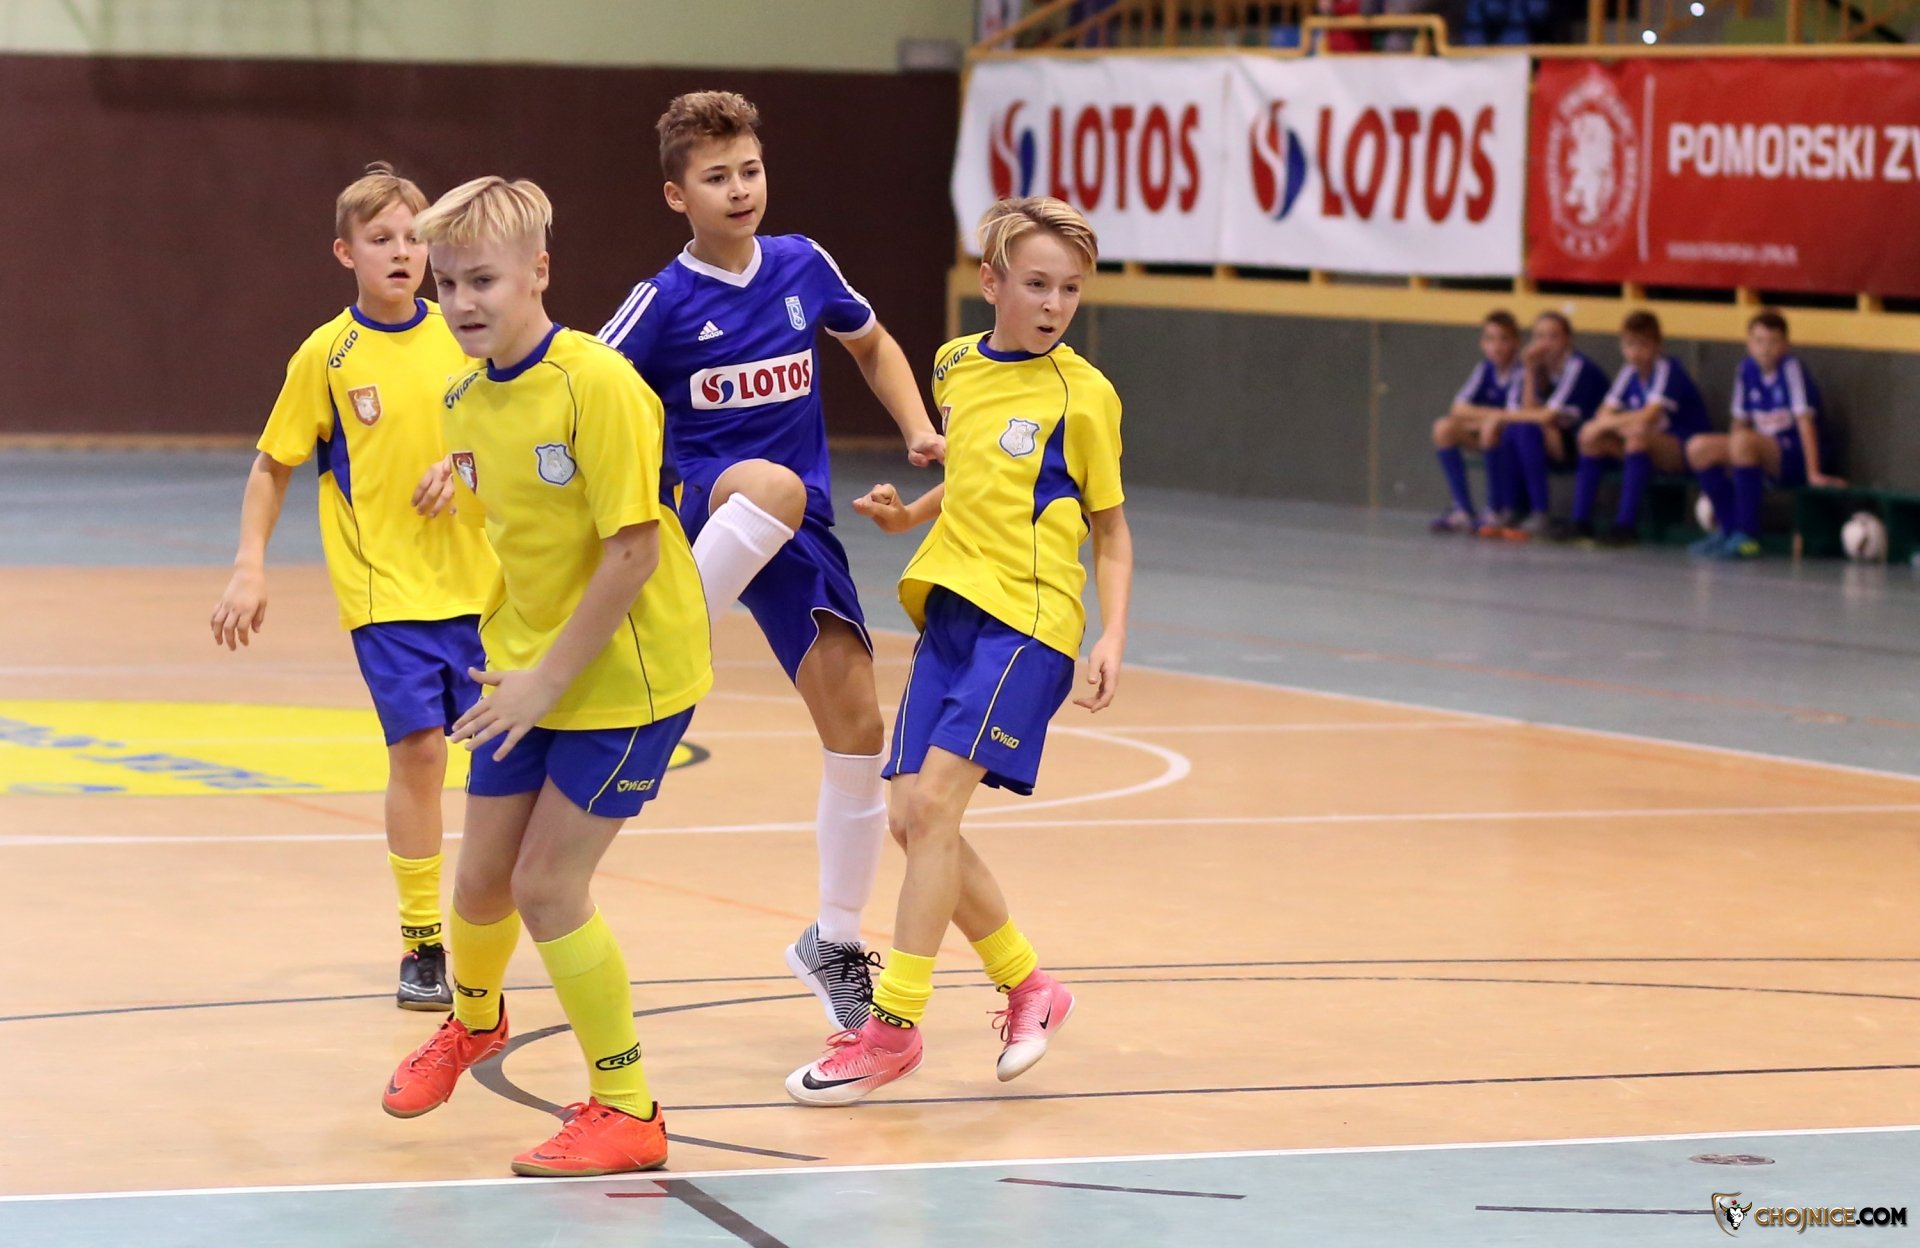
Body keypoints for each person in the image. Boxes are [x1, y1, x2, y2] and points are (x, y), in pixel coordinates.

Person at [379, 175, 711, 1177]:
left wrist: (544, 682)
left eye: (481, 279)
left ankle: (628, 1109)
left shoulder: (598, 385)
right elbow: (521, 533)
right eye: (445, 284)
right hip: (526, 668)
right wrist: (509, 662)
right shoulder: (461, 399)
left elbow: (631, 553)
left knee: (547, 885)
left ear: (539, 272)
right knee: (480, 880)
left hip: (626, 674)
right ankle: (474, 1021)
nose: (460, 301)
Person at [598, 91, 944, 1030]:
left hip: (800, 529)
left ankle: (834, 939)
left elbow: (871, 342)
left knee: (860, 730)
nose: (740, 188)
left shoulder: (802, 264)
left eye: (749, 169)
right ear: (678, 196)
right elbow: (577, 388)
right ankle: (665, 635)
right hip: (706, 502)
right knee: (770, 485)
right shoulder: (661, 302)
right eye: (717, 177)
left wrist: (918, 428)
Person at [786, 196, 1130, 1105]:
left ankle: (892, 1029)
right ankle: (1029, 985)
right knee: (909, 820)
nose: (1054, 304)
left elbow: (1111, 528)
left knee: (935, 805)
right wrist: (910, 515)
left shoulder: (1085, 396)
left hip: (1030, 621)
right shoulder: (953, 365)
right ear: (992, 283)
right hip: (951, 614)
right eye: (1037, 284)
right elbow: (978, 475)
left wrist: (1113, 633)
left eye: (1070, 289)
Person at [210, 162, 495, 1011]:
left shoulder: (468, 332)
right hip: (388, 596)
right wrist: (250, 565)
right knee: (420, 754)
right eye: (381, 240)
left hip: (489, 589)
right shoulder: (326, 357)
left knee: (508, 766)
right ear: (346, 253)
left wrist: (463, 463)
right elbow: (273, 466)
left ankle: (496, 926)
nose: (402, 253)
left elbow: (513, 428)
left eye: (414, 238)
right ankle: (423, 942)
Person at [1685, 309, 1841, 560]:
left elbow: (1805, 423)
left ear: (1785, 345)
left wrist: (1814, 473)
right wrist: (1731, 460)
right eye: (1759, 341)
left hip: (1794, 454)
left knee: (1745, 441)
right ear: (1748, 343)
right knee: (1698, 447)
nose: (1765, 349)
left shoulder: (1791, 369)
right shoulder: (1745, 370)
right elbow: (1739, 422)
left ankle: (1749, 535)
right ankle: (1728, 529)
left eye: (1773, 342)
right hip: (1760, 451)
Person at [1562, 311, 1708, 547]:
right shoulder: (1628, 372)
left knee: (1636, 438)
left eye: (1643, 344)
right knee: (1592, 440)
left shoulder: (1668, 369)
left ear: (1658, 345)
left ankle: (1626, 525)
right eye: (1630, 345)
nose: (1636, 352)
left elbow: (1648, 416)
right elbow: (1604, 412)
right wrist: (1604, 425)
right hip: (1643, 449)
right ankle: (1580, 522)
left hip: (1683, 450)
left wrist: (1607, 424)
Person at [1482, 311, 1609, 540]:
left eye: (1553, 336)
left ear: (1568, 339)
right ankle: (1508, 508)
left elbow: (1546, 416)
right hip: (1555, 440)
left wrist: (1500, 416)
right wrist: (1530, 370)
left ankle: (1540, 512)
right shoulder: (1533, 367)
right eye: (1540, 336)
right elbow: (1525, 410)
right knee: (1514, 429)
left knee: (1524, 426)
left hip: (1589, 445)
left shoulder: (1578, 366)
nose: (1546, 344)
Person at [1429, 310, 1522, 535]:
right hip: (1487, 434)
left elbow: (1512, 415)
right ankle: (1462, 508)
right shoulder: (1484, 369)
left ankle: (1496, 509)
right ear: (1482, 343)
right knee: (1443, 428)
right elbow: (1458, 407)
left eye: (1503, 339)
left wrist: (1483, 420)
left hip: (1512, 441)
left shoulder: (1522, 371)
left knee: (1490, 428)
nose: (1496, 346)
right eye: (1490, 339)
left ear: (1516, 342)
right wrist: (1487, 418)